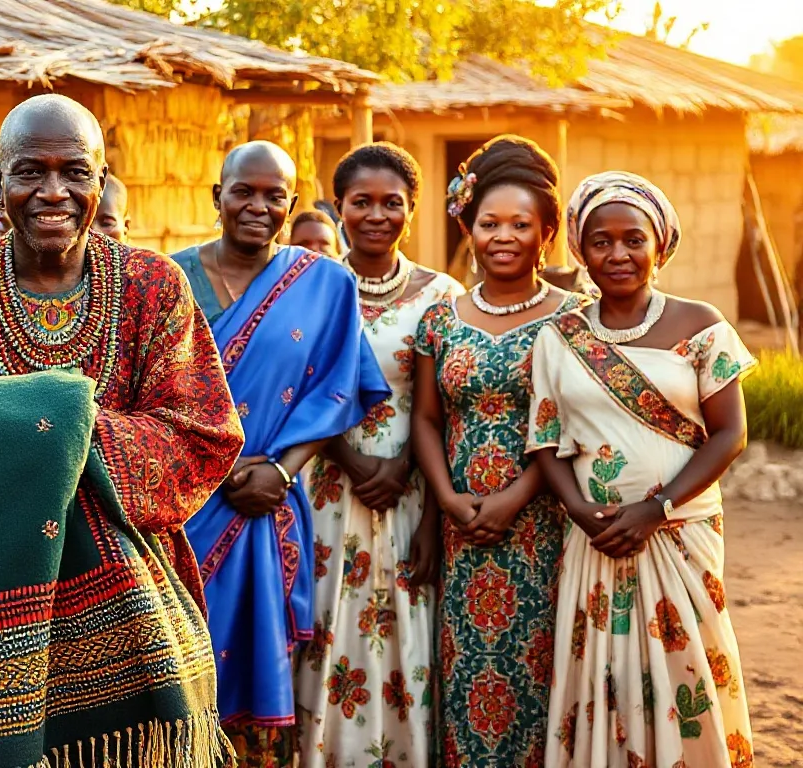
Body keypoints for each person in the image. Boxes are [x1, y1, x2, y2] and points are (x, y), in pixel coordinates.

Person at [0, 94, 245, 765]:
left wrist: (56, 427)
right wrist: (42, 434)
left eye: (75, 173)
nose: (53, 193)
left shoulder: (154, 286)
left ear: (102, 179)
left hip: (137, 601)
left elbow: (202, 433)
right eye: (30, 172)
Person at [172, 140, 391, 766]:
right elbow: (146, 390)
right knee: (182, 662)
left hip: (269, 502)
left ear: (291, 204)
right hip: (188, 507)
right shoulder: (167, 278)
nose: (257, 206)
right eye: (243, 191)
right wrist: (215, 469)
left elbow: (340, 389)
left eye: (274, 196)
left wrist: (279, 469)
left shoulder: (324, 285)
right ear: (217, 197)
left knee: (260, 670)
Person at [529, 171, 756, 767]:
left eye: (634, 238)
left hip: (680, 532)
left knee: (687, 669)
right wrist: (580, 512)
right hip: (596, 536)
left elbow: (730, 433)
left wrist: (655, 509)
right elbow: (545, 441)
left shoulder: (701, 324)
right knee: (606, 668)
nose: (618, 253)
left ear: (660, 244)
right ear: (581, 250)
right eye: (601, 241)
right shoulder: (561, 336)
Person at [411, 135, 587, 766]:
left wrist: (516, 498)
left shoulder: (575, 319)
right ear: (468, 224)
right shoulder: (441, 318)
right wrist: (449, 502)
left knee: (543, 672)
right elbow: (428, 420)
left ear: (546, 235)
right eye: (489, 223)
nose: (503, 236)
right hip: (464, 529)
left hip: (546, 526)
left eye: (521, 224)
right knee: (465, 675)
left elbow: (577, 425)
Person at [296, 142, 464, 767]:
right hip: (326, 489)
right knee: (324, 627)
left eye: (391, 203)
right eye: (360, 201)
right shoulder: (309, 288)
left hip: (411, 489)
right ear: (337, 206)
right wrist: (351, 459)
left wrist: (425, 504)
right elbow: (297, 393)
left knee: (405, 631)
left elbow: (447, 408)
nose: (375, 214)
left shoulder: (442, 296)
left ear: (413, 209)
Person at [91, 174, 130, 242]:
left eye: (106, 223)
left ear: (126, 225)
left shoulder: (140, 253)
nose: (94, 232)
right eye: (83, 225)